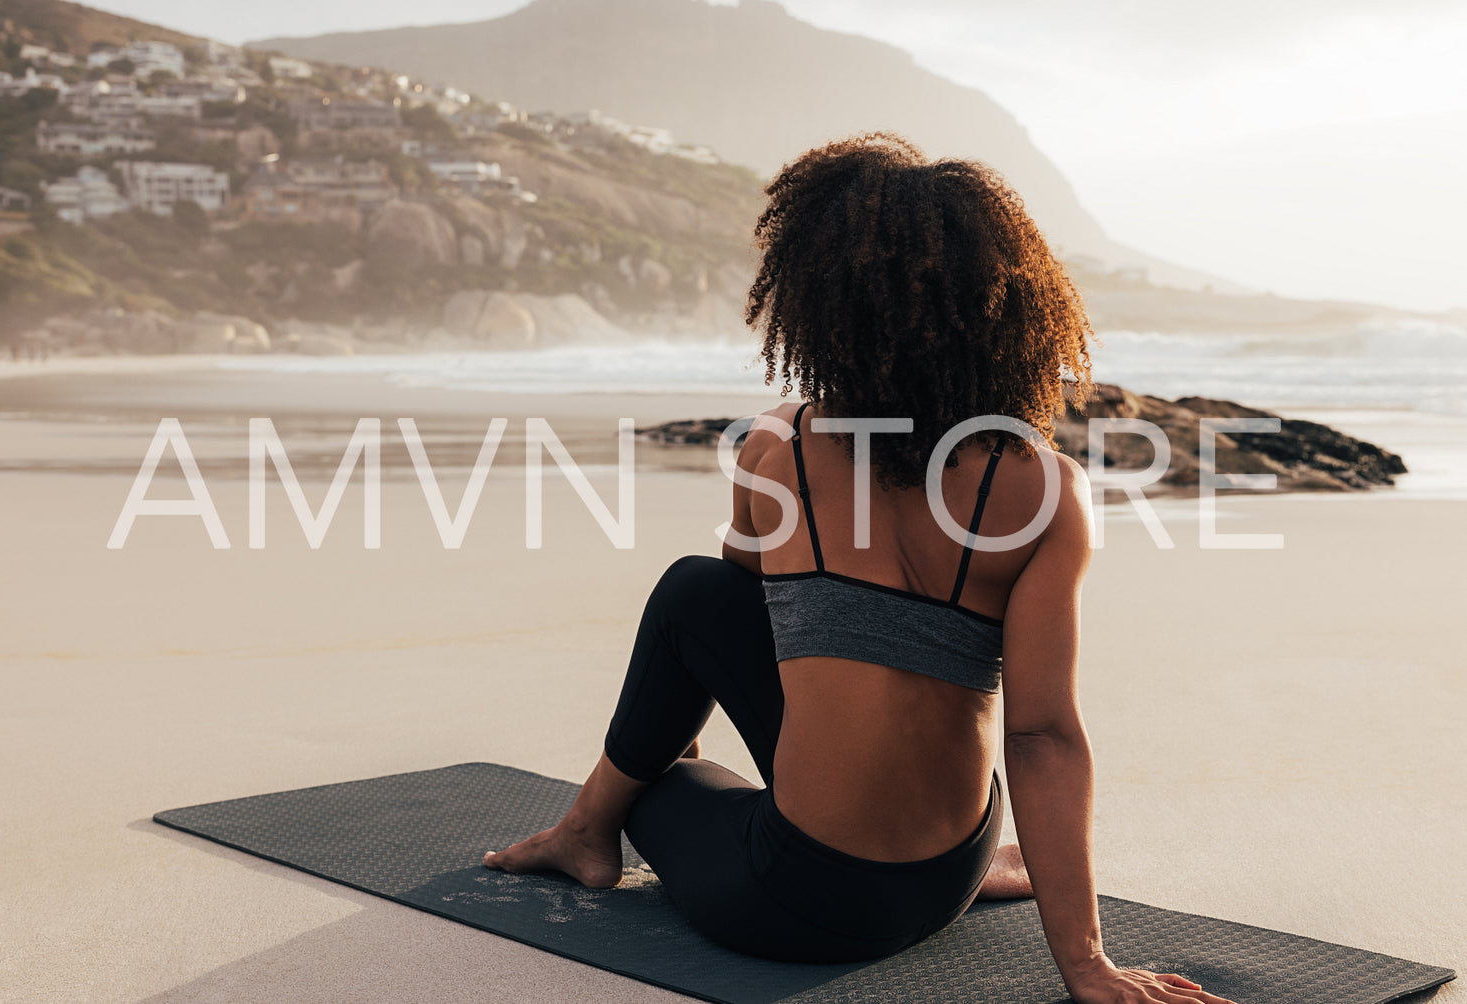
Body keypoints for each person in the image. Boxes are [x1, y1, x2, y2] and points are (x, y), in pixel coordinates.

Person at [485, 132, 1234, 1004]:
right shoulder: (1045, 488)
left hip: (796, 906)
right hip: (951, 867)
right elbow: (1041, 736)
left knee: (688, 637)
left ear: (819, 305)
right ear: (1005, 307)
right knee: (763, 628)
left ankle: (586, 828)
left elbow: (731, 621)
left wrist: (673, 750)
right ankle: (968, 864)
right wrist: (1085, 967)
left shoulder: (777, 446)